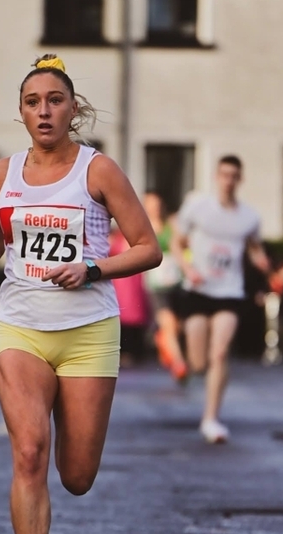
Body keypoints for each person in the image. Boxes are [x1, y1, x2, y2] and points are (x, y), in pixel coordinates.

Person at [0, 54, 161, 534]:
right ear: (21, 112)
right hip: (21, 326)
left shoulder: (99, 171)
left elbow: (149, 248)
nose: (44, 111)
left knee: (77, 476)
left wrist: (93, 268)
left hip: (89, 332)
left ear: (72, 109)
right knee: (29, 451)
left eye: (55, 100)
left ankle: (68, 410)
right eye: (32, 102)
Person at [170, 155, 270, 444]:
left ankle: (211, 418)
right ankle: (187, 362)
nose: (228, 181)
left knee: (220, 353)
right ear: (216, 176)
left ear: (240, 179)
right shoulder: (198, 207)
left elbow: (254, 246)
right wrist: (187, 268)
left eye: (233, 176)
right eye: (224, 175)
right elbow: (176, 242)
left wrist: (261, 260)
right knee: (199, 362)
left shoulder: (249, 217)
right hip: (198, 289)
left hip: (230, 291)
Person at [143, 191, 187, 381]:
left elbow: (184, 244)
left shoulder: (172, 224)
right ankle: (180, 365)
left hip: (177, 281)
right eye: (151, 205)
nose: (155, 208)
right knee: (168, 323)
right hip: (157, 285)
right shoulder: (143, 226)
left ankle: (162, 340)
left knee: (178, 326)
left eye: (158, 204)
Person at [109, 224, 151, 367]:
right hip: (121, 283)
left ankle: (132, 351)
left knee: (131, 315)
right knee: (125, 315)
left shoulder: (125, 238)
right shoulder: (117, 238)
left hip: (129, 283)